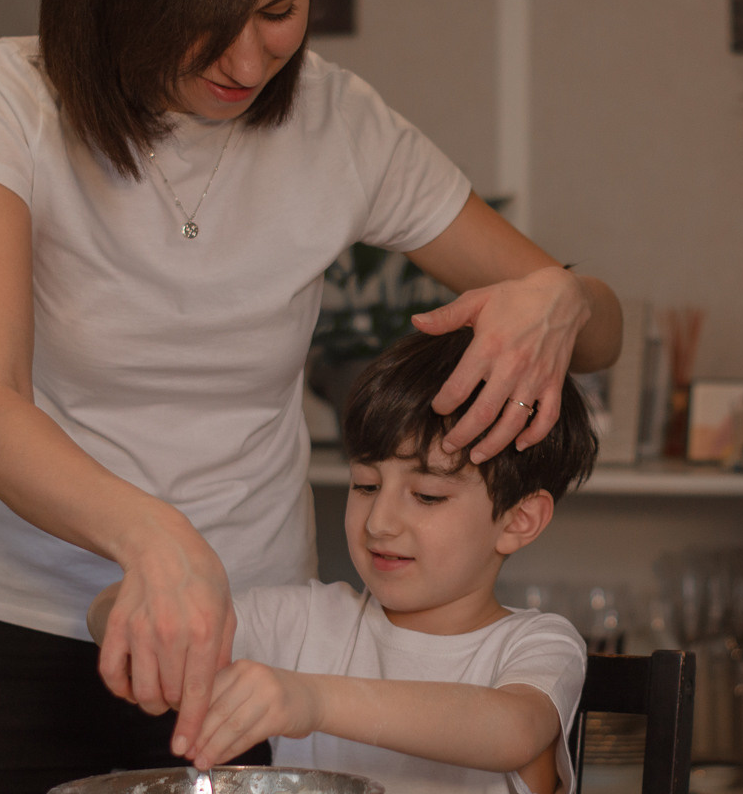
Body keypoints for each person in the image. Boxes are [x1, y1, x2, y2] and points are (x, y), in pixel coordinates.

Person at [0, 0, 622, 790]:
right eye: (203, 30)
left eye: (280, 12)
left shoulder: (339, 124)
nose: (248, 63)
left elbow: (599, 335)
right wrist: (156, 540)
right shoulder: (10, 98)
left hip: (243, 650)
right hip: (8, 624)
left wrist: (561, 299)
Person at [89, 328, 598, 793]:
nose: (379, 522)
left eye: (426, 496)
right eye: (366, 485)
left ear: (518, 520)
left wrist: (311, 700)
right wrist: (135, 602)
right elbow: (125, 620)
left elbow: (512, 730)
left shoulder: (537, 645)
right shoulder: (306, 623)